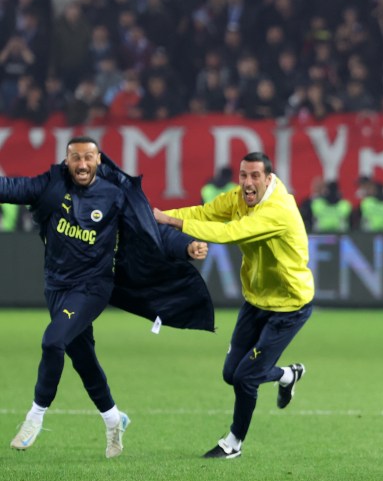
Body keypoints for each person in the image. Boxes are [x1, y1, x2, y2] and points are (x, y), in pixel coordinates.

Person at [3, 136, 213, 457]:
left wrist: (184, 246)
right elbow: (13, 188)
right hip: (56, 287)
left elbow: (149, 229)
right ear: (67, 160)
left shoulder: (114, 194)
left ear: (99, 159)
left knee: (52, 341)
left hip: (93, 287)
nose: (82, 164)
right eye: (76, 158)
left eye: (89, 157)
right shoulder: (52, 185)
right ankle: (114, 419)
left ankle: (36, 415)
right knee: (83, 359)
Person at [153, 151, 314, 459]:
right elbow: (205, 212)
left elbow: (228, 233)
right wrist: (159, 216)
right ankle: (287, 375)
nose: (247, 183)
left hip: (289, 305)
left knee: (245, 378)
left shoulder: (278, 209)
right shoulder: (239, 198)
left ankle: (233, 444)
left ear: (269, 179)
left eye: (255, 176)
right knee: (232, 373)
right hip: (256, 300)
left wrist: (169, 220)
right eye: (243, 176)